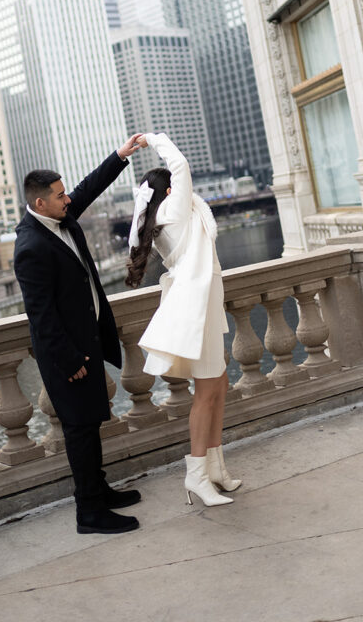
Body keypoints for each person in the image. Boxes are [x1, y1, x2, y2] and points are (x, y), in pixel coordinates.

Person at [14, 135, 143, 536]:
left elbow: (87, 188)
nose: (67, 198)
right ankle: (89, 512)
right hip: (66, 358)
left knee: (90, 424)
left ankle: (99, 490)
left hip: (85, 345)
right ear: (40, 204)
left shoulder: (61, 218)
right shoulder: (30, 246)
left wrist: (119, 157)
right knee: (79, 431)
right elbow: (42, 316)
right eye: (59, 195)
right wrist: (71, 361)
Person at [127, 132, 241, 507]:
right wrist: (155, 139)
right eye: (176, 185)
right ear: (170, 190)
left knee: (218, 385)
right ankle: (196, 475)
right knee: (206, 393)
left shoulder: (169, 215)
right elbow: (182, 164)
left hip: (205, 304)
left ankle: (215, 467)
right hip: (198, 308)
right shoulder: (172, 211)